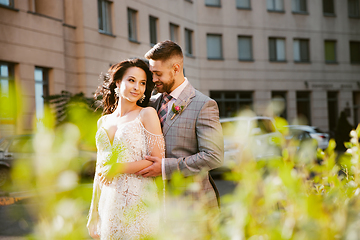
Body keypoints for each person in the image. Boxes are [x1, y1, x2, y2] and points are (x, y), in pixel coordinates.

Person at [137, 40, 224, 209]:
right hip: (154, 206)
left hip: (193, 205)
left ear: (176, 68)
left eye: (158, 74)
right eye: (151, 73)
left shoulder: (204, 105)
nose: (153, 79)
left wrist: (164, 168)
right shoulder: (150, 104)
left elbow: (214, 156)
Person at [87, 59, 165, 239]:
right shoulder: (103, 121)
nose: (137, 87)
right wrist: (93, 213)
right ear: (117, 82)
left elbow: (157, 161)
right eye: (131, 80)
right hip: (109, 202)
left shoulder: (146, 114)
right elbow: (100, 169)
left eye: (143, 83)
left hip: (139, 199)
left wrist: (119, 167)